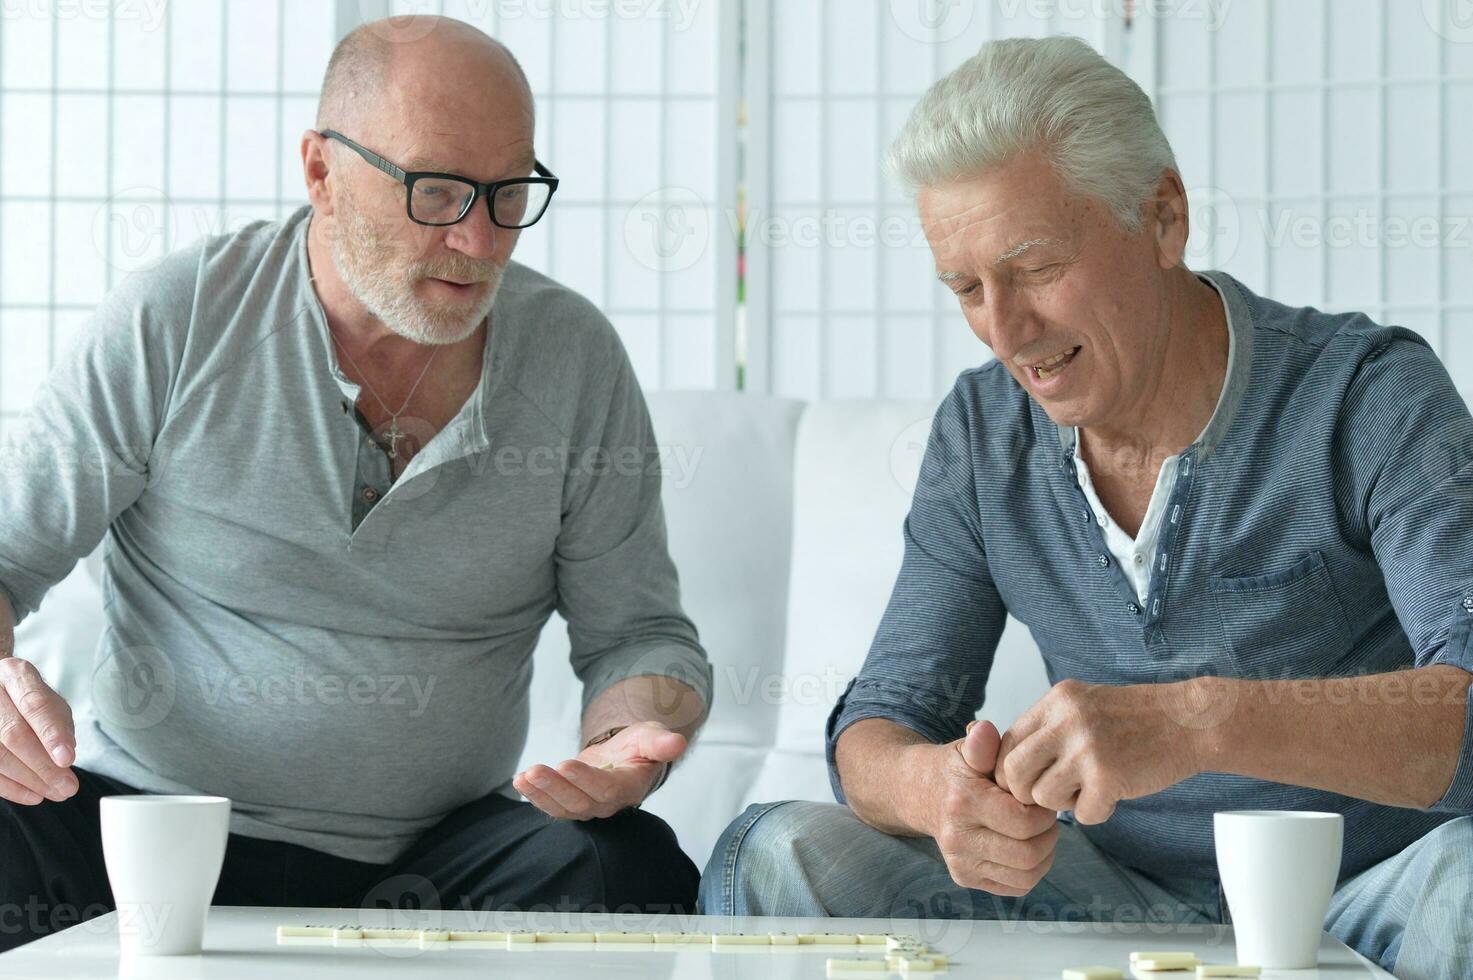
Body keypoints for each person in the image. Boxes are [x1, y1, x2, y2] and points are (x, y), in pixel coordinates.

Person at [701, 36, 1472, 980]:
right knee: (778, 851)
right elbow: (879, 724)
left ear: (1163, 218)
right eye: (966, 288)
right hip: (1107, 896)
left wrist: (1201, 721)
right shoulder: (983, 434)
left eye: (1033, 267)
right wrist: (932, 790)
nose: (1006, 330)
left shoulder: (1367, 396)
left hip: (1368, 898)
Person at [0, 15, 710, 951]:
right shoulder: (176, 319)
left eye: (508, 193)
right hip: (145, 836)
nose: (481, 238)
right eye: (438, 190)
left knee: (625, 862)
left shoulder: (571, 358)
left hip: (439, 860)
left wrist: (629, 751)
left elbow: (640, 637)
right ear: (322, 173)